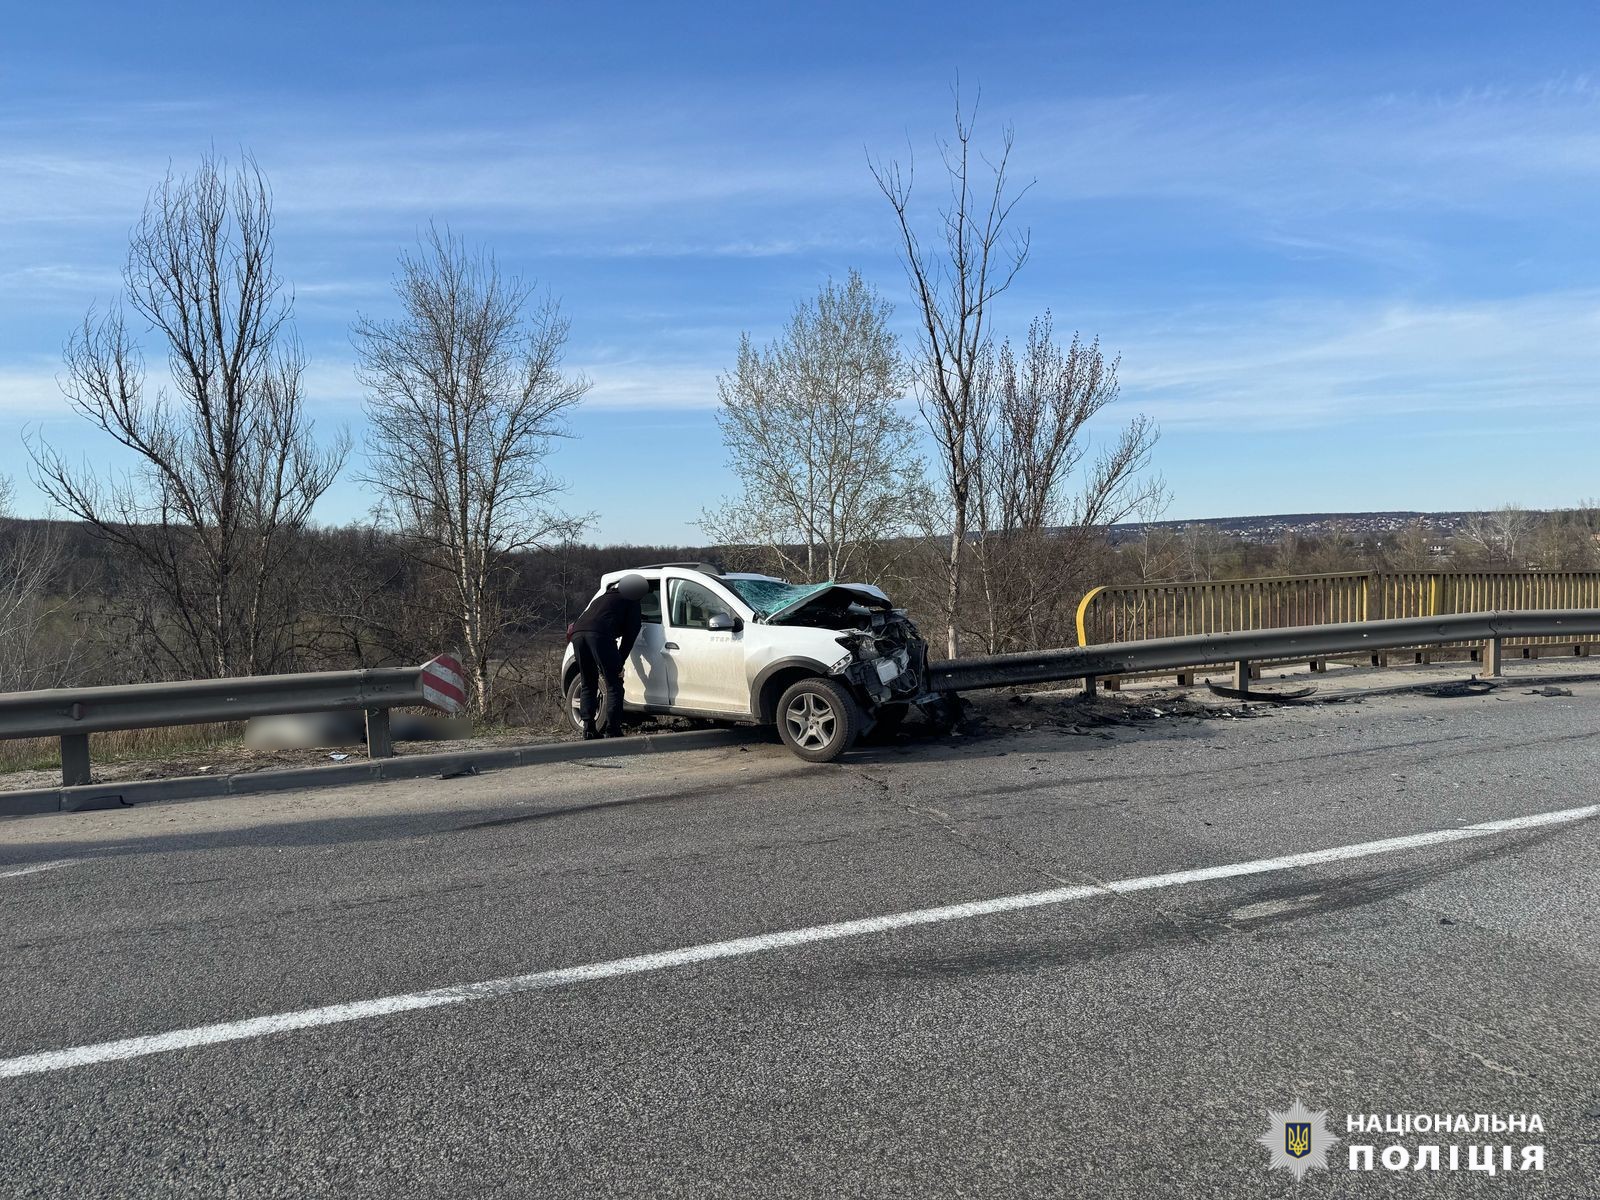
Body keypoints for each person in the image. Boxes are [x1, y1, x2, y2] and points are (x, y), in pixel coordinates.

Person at [570, 573, 647, 739]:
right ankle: (613, 730)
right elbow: (631, 633)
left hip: (578, 634)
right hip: (600, 636)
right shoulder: (631, 600)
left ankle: (589, 728)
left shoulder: (603, 598)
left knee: (588, 682)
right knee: (614, 684)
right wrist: (620, 661)